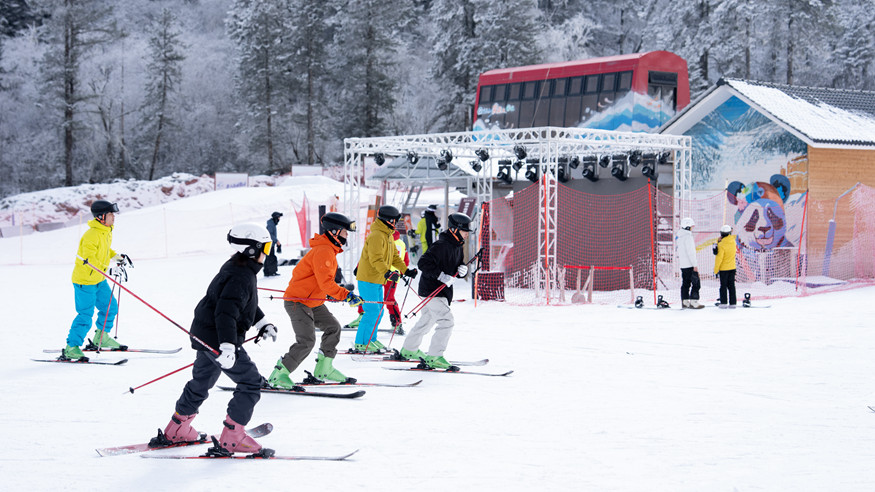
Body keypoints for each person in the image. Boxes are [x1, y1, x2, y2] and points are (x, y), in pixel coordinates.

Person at [158, 223, 279, 455]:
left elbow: (244, 303)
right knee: (251, 382)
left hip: (206, 335)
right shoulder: (242, 275)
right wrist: (227, 347)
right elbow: (226, 313)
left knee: (202, 381)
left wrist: (262, 323)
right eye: (265, 247)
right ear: (251, 249)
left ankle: (177, 428)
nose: (268, 252)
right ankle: (233, 437)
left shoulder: (239, 268)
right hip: (218, 338)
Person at [266, 212, 363, 388]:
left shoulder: (329, 250)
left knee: (333, 328)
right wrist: (345, 295)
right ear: (335, 232)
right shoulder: (324, 251)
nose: (347, 236)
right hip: (297, 302)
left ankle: (324, 369)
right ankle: (279, 375)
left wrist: (330, 294)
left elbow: (321, 282)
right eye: (345, 232)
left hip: (313, 301)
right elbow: (326, 283)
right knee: (307, 341)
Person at [398, 212, 471, 369]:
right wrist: (441, 276)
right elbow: (423, 263)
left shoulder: (457, 245)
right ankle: (435, 356)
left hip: (440, 291)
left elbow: (455, 266)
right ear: (454, 230)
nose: (466, 234)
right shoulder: (441, 245)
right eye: (464, 230)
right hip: (432, 290)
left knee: (427, 320)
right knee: (446, 321)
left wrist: (461, 270)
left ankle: (409, 349)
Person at [63, 200, 130, 361]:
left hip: (99, 279)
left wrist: (117, 257)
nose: (114, 217)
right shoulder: (91, 235)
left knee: (110, 307)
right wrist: (110, 270)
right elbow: (90, 259)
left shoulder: (105, 231)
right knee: (85, 314)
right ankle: (71, 347)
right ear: (101, 217)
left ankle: (101, 337)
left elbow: (105, 250)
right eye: (110, 214)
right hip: (85, 281)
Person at [355, 205, 418, 352]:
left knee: (379, 311)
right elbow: (375, 259)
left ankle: (371, 339)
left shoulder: (388, 234)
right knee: (371, 311)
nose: (396, 223)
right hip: (368, 278)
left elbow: (394, 257)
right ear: (389, 220)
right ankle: (362, 342)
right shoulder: (377, 236)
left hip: (377, 279)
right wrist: (387, 272)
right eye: (395, 220)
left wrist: (406, 271)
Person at [345, 229, 409, 335]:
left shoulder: (379, 238)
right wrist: (401, 272)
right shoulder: (401, 243)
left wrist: (359, 267)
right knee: (388, 299)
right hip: (392, 276)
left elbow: (369, 257)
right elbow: (406, 261)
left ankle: (363, 316)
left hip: (377, 273)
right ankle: (396, 323)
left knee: (368, 296)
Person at [677, 217, 704, 309]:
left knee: (685, 283)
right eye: (691, 226)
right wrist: (695, 265)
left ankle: (685, 302)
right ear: (688, 226)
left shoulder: (680, 237)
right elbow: (691, 252)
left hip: (683, 265)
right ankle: (694, 302)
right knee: (696, 283)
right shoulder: (688, 237)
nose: (692, 228)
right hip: (690, 264)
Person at [714, 224, 738, 308]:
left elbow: (719, 258)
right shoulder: (733, 241)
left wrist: (715, 270)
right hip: (732, 267)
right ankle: (733, 303)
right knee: (731, 286)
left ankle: (723, 302)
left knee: (723, 286)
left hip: (724, 269)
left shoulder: (721, 245)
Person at [263, 211, 283, 277]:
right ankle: (271, 272)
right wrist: (277, 241)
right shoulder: (271, 224)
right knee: (271, 258)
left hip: (270, 244)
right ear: (276, 218)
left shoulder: (272, 224)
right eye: (279, 217)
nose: (279, 219)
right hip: (269, 244)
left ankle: (267, 272)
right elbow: (270, 234)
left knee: (269, 258)